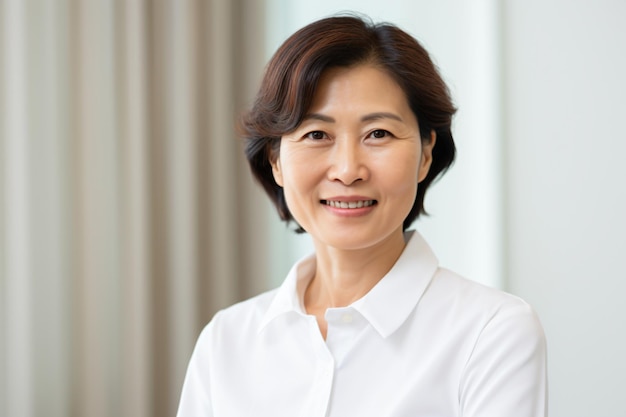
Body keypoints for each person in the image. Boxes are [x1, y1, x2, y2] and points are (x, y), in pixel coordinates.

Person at [177, 14, 547, 417]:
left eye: (378, 134)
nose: (348, 169)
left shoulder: (491, 332)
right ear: (276, 161)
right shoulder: (226, 341)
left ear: (425, 154)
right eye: (317, 135)